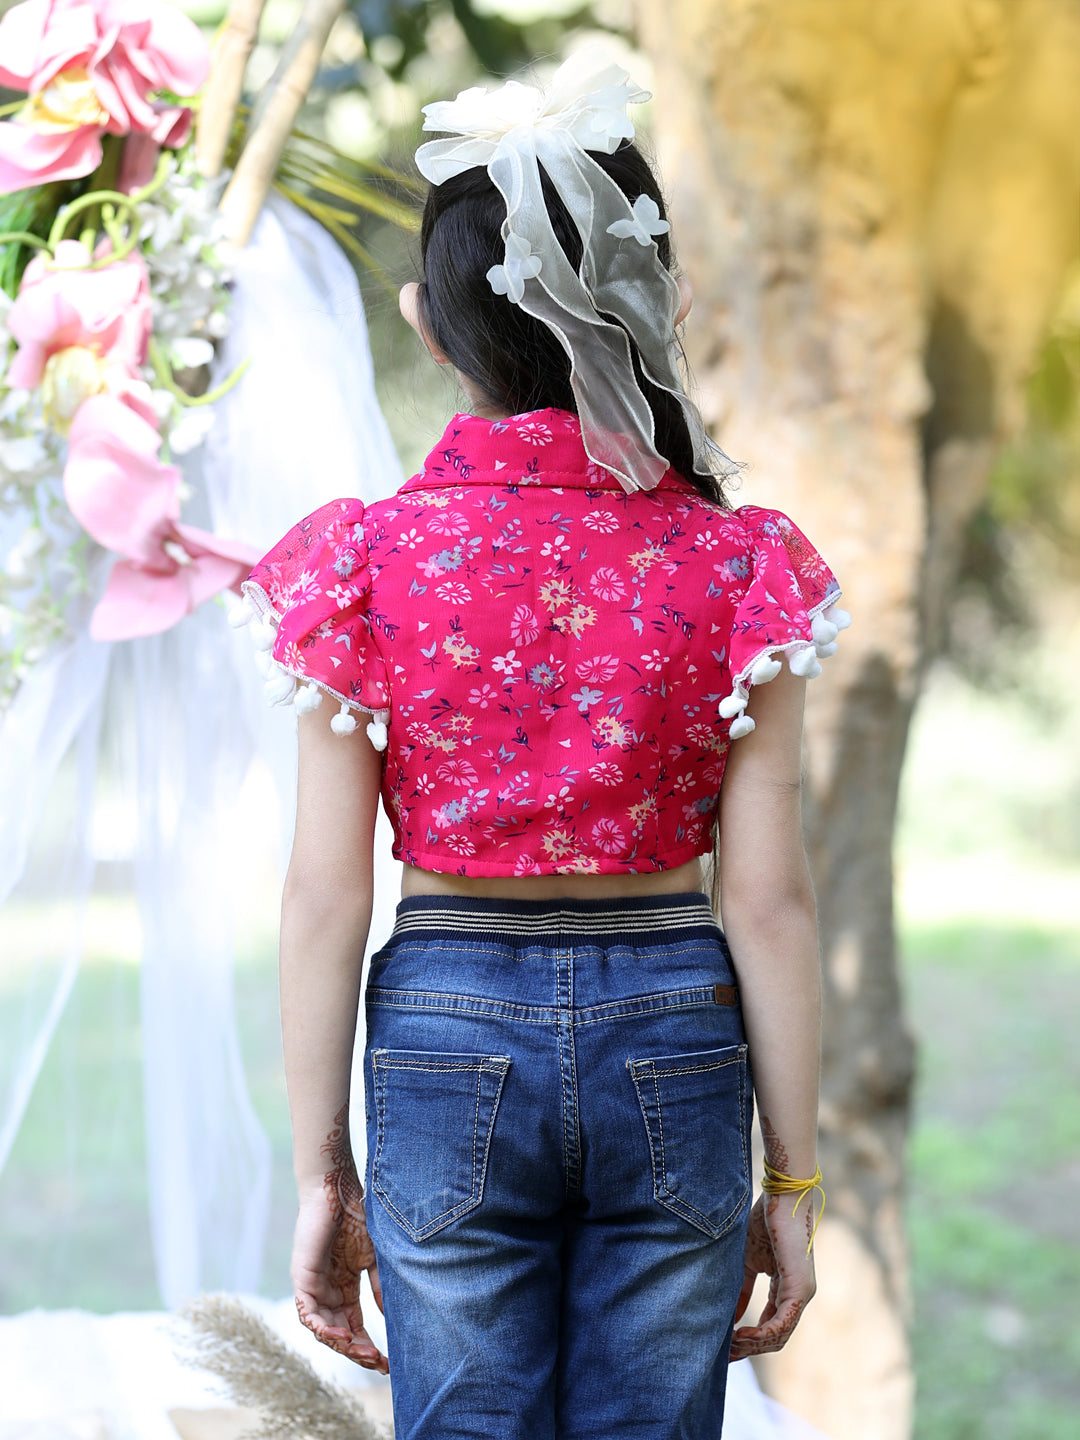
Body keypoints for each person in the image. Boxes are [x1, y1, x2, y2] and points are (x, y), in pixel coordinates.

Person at [239, 51, 848, 1440]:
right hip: (679, 1036)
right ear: (657, 307)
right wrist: (795, 1190)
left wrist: (323, 1174)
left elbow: (326, 896)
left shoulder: (366, 563)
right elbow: (767, 899)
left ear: (430, 327)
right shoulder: (741, 567)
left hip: (445, 1026)